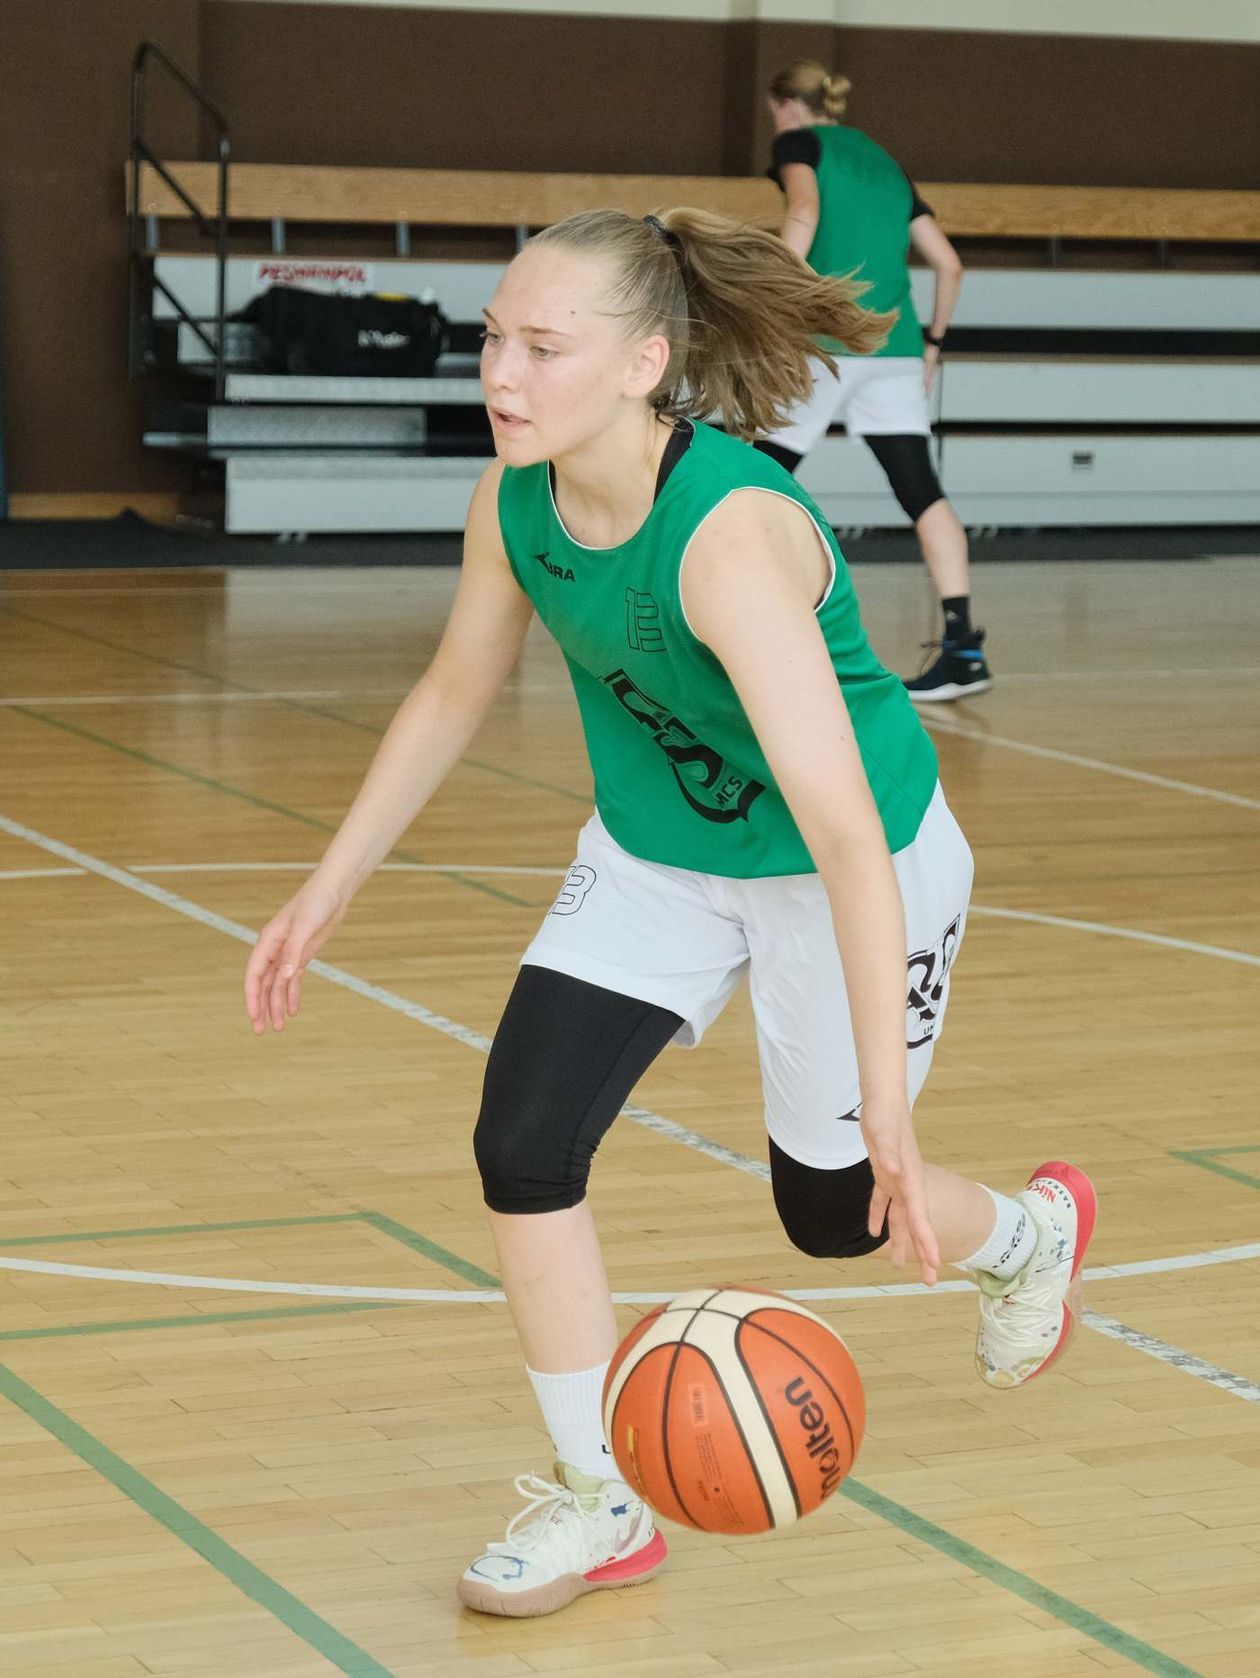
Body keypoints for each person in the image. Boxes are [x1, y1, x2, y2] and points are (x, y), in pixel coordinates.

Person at [244, 206, 1094, 1619]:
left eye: (543, 346)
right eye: (493, 340)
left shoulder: (728, 539)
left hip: (851, 862)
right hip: (661, 856)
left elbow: (842, 831)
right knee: (522, 1140)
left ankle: (1027, 1237)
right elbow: (454, 688)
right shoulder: (514, 501)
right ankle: (600, 1499)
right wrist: (325, 888)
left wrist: (890, 1105)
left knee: (835, 1212)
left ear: (645, 363)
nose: (500, 373)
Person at [758, 60, 992, 702]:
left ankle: (726, 626)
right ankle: (964, 649)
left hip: (824, 342)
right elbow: (949, 264)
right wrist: (934, 343)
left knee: (751, 479)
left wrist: (772, 296)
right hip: (895, 345)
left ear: (786, 105)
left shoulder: (797, 143)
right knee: (922, 492)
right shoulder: (886, 163)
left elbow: (804, 210)